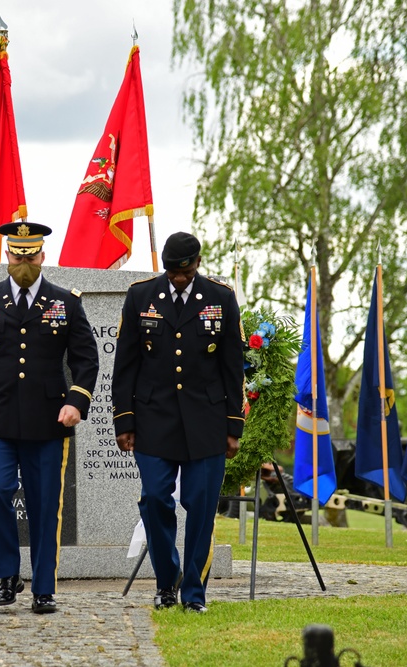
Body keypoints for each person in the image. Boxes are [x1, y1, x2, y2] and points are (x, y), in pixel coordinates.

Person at [0, 222, 99, 614]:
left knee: (44, 504)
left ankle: (44, 588)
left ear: (42, 257)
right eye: (17, 256)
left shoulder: (65, 302)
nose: (24, 263)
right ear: (7, 256)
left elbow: (86, 359)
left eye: (31, 256)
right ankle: (7, 574)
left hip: (48, 420)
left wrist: (76, 402)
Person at [111, 231, 245, 613]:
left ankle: (193, 594)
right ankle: (166, 581)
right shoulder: (141, 296)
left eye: (184, 273)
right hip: (155, 419)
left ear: (197, 264)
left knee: (201, 507)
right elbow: (126, 366)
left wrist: (233, 426)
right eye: (171, 273)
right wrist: (124, 419)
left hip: (207, 420)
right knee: (154, 499)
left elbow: (233, 366)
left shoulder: (221, 298)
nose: (177, 279)